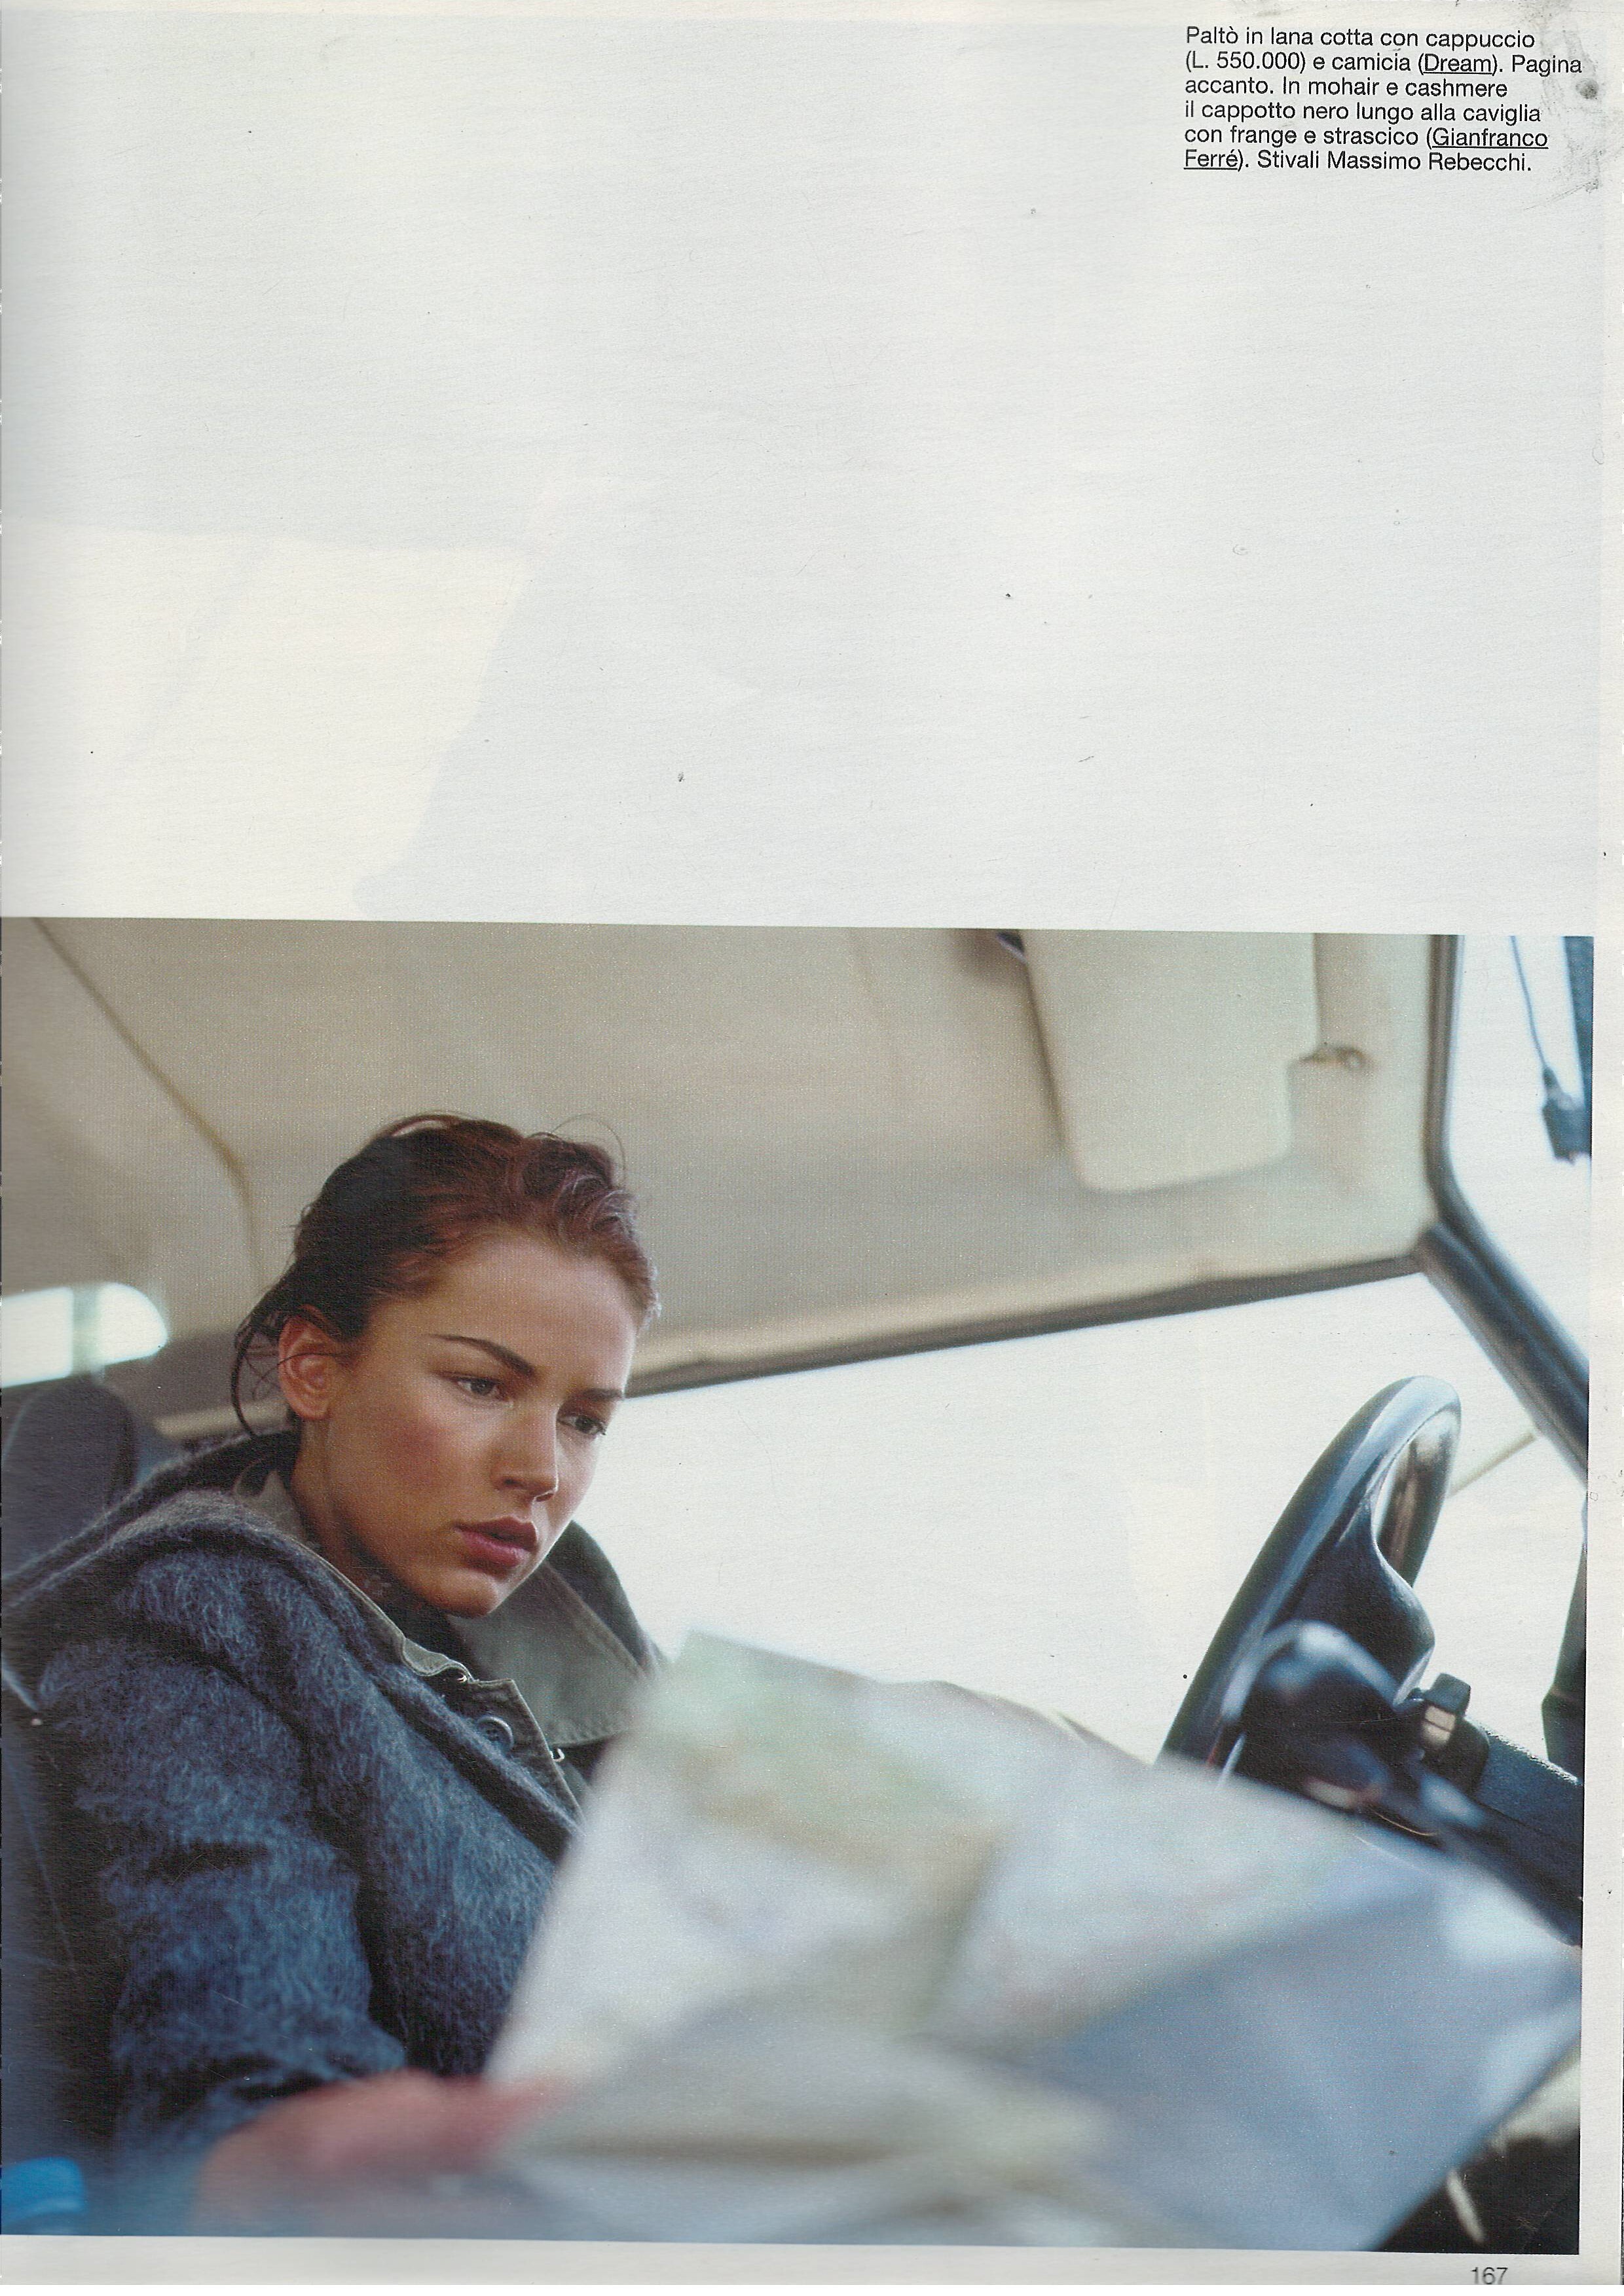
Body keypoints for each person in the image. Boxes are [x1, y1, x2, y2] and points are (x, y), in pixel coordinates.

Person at [3, 1116, 660, 2232]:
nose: (541, 1468)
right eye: (481, 1385)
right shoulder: (192, 1632)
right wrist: (294, 2158)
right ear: (312, 1368)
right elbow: (252, 2072)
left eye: (585, 1420)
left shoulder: (598, 1659)